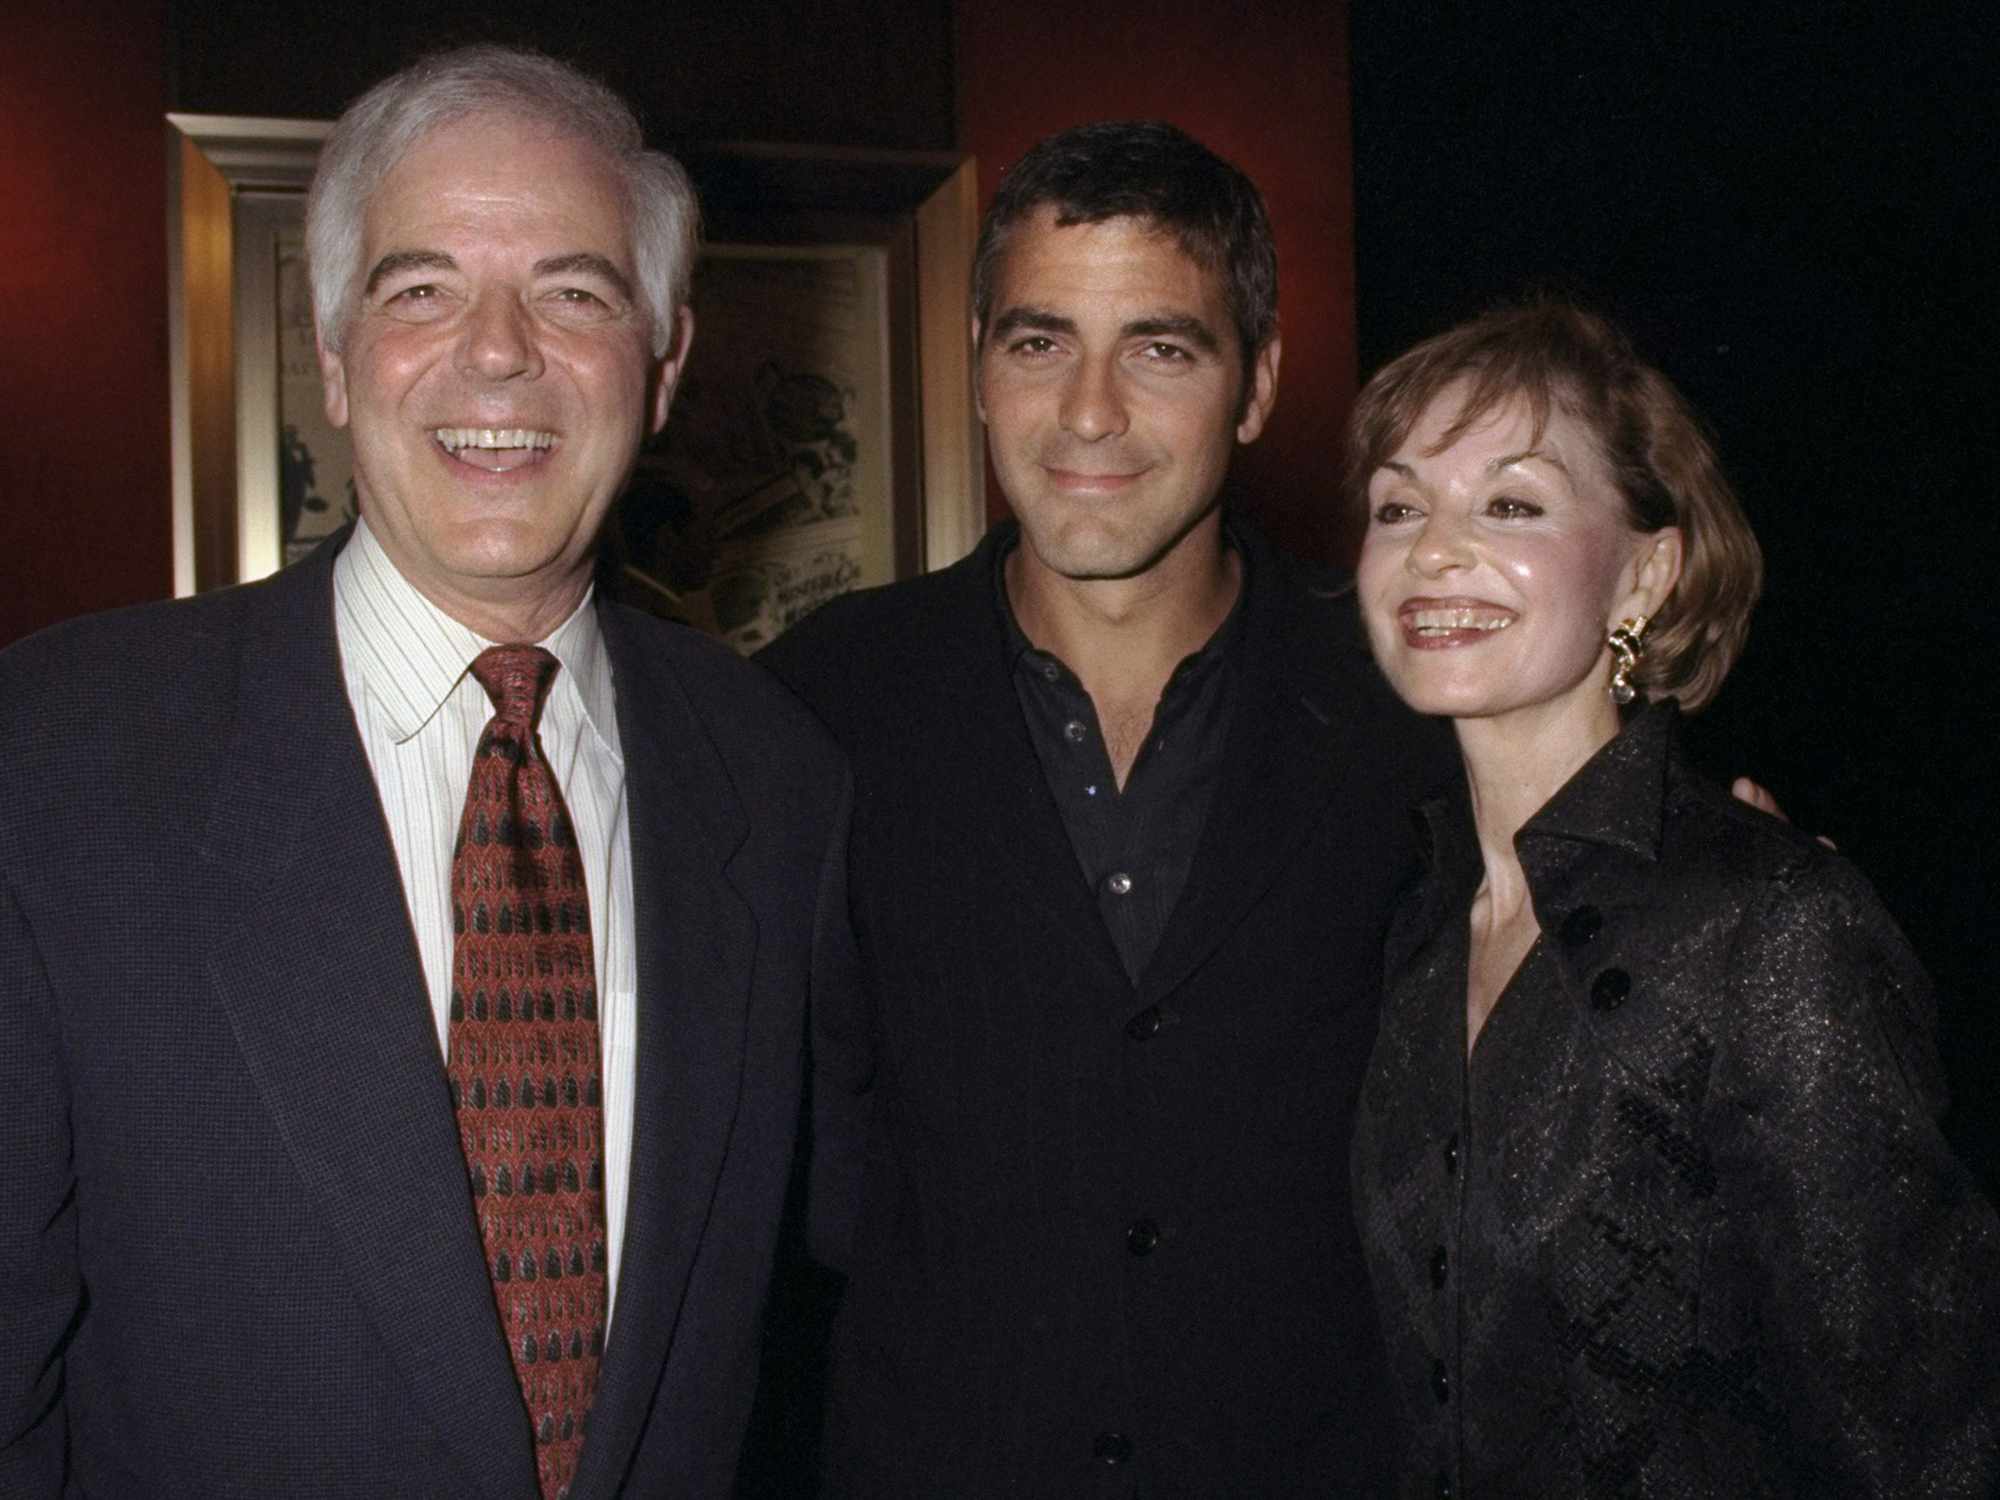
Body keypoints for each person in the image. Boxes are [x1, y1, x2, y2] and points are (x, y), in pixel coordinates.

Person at [0, 45, 854, 1500]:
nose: (501, 351)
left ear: (664, 364)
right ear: (334, 356)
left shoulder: (778, 775)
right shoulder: (59, 756)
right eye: (421, 289)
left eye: (575, 292)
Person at [758, 121, 1456, 1497]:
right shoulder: (811, 707)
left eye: (1160, 348)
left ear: (1256, 384)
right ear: (974, 365)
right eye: (1037, 343)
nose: (1088, 413)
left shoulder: (1415, 702)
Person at [1345, 300, 2000, 1496]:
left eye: (1510, 503)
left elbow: (1929, 1434)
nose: (1430, 550)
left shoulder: (1768, 922)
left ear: (1643, 571)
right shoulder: (1422, 929)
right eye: (1396, 505)